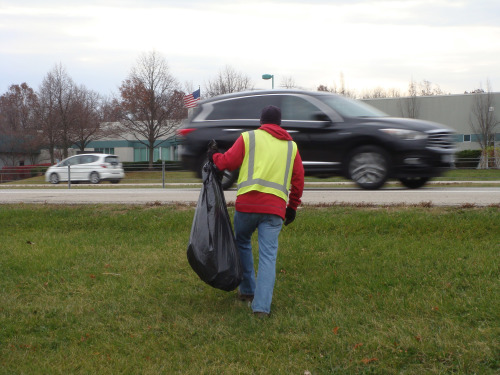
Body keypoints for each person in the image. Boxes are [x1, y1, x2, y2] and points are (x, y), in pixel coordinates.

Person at [208, 105, 304, 317]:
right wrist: (292, 207)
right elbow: (298, 181)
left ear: (261, 121)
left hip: (247, 206)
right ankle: (261, 308)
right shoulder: (291, 147)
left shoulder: (248, 138)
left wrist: (214, 156)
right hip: (275, 211)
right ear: (279, 123)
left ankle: (247, 290)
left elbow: (227, 163)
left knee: (242, 241)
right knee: (268, 256)